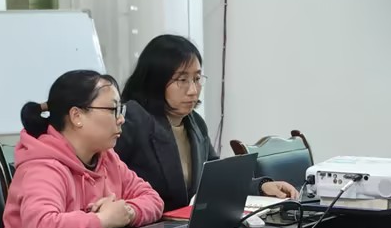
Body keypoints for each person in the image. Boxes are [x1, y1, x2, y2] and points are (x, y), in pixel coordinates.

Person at [115, 34, 300, 210]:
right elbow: (110, 182)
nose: (193, 90)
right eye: (182, 80)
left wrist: (261, 186)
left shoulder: (195, 122)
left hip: (184, 225)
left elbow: (216, 179)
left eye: (197, 79)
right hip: (146, 227)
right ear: (155, 80)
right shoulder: (131, 119)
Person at [0, 70, 163, 228]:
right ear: (77, 116)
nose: (121, 119)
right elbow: (41, 227)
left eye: (120, 110)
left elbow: (153, 199)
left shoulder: (107, 157)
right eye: (113, 110)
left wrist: (126, 213)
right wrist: (102, 220)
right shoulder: (42, 166)